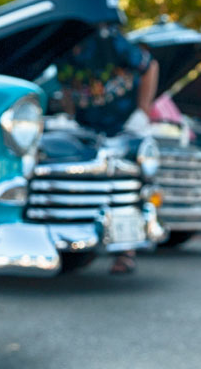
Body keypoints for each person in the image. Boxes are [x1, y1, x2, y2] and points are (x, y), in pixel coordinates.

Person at [57, 23, 159, 274]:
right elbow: (66, 88)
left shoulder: (109, 40)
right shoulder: (60, 49)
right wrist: (70, 116)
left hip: (124, 126)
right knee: (88, 185)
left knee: (125, 187)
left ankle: (126, 251)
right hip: (87, 129)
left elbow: (150, 67)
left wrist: (143, 110)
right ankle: (84, 246)